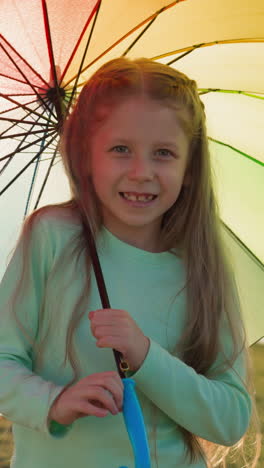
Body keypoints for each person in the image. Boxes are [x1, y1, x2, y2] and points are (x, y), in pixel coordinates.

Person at [0, 57, 261, 468]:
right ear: (86, 155)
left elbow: (230, 419)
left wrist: (145, 356)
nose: (142, 172)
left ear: (189, 168)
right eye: (121, 149)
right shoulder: (52, 236)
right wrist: (55, 402)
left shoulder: (201, 267)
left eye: (163, 153)